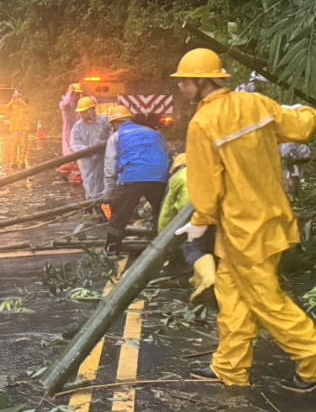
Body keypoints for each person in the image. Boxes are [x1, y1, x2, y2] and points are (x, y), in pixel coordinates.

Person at [172, 48, 316, 392]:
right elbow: (305, 125)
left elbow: (205, 184)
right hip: (271, 219)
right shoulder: (257, 105)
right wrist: (303, 110)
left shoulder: (203, 123)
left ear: (202, 81)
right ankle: (229, 367)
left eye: (185, 82)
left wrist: (201, 220)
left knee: (265, 300)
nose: (181, 88)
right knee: (232, 294)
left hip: (241, 229)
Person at [102, 105, 169, 255]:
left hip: (133, 176)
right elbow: (165, 152)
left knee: (119, 213)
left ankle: (112, 247)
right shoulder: (154, 132)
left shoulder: (116, 136)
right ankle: (163, 244)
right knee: (161, 210)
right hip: (159, 175)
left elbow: (110, 167)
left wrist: (109, 192)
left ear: (115, 123)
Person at [157, 153, 216, 302]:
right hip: (216, 216)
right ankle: (197, 279)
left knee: (192, 247)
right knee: (207, 245)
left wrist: (163, 238)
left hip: (192, 218)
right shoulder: (210, 172)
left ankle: (209, 280)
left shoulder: (177, 178)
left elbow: (167, 213)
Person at [69, 96, 110, 201]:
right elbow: (74, 143)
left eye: (84, 112)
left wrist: (105, 147)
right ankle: (92, 204)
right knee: (90, 184)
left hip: (105, 159)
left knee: (107, 182)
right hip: (88, 162)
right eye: (80, 112)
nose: (82, 115)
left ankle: (106, 205)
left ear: (91, 110)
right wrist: (86, 150)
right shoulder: (78, 126)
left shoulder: (104, 121)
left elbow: (113, 136)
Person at [7, 91, 30, 169]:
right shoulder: (11, 106)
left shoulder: (23, 105)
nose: (17, 99)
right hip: (14, 129)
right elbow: (6, 108)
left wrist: (21, 101)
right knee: (13, 147)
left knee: (23, 146)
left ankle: (22, 161)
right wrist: (12, 100)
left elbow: (27, 109)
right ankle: (13, 162)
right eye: (15, 97)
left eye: (18, 97)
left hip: (23, 129)